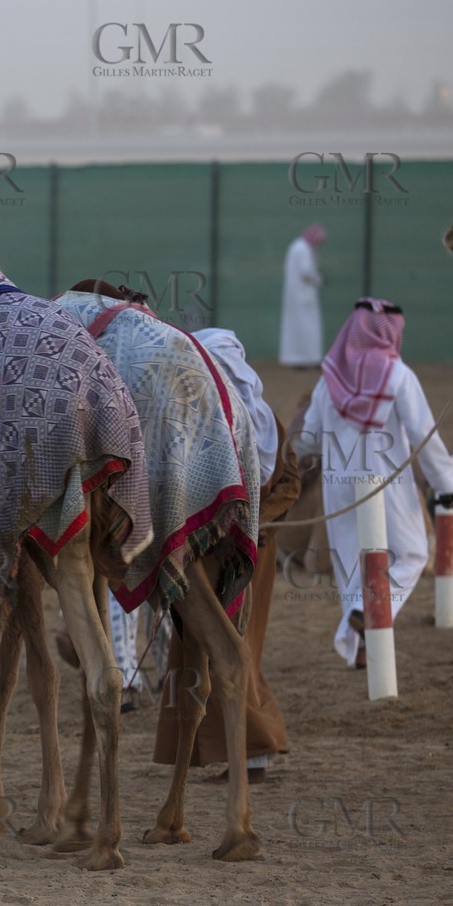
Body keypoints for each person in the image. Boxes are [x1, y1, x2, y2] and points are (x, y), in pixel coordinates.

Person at [154, 327, 299, 782]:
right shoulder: (209, 414)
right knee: (204, 648)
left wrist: (256, 525)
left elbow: (289, 483)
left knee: (232, 647)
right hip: (213, 550)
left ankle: (253, 752)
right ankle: (231, 753)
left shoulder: (254, 420)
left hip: (243, 554)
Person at [300, 298, 453, 668]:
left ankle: (358, 647)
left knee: (350, 566)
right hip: (387, 483)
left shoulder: (329, 377)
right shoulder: (398, 375)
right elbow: (424, 435)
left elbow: (308, 439)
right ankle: (363, 612)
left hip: (338, 484)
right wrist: (446, 484)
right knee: (413, 553)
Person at [280, 223, 327, 367]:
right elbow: (306, 272)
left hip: (297, 296)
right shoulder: (303, 248)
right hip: (303, 296)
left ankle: (298, 359)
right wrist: (319, 278)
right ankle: (309, 358)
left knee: (297, 328)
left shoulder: (297, 246)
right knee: (308, 329)